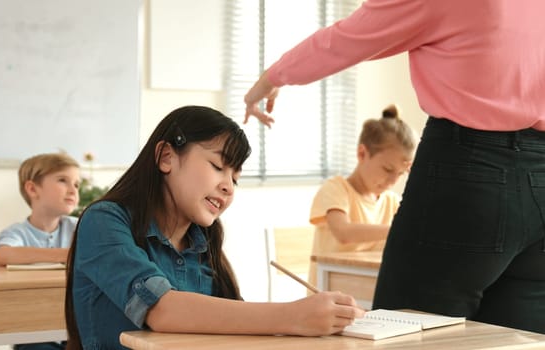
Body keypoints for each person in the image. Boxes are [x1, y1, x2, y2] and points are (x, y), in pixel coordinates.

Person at [243, 0, 545, 334]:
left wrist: (273, 77)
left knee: (407, 332)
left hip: (470, 169)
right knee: (516, 339)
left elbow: (351, 37)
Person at [64, 105, 365, 350]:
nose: (228, 187)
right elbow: (162, 310)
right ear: (166, 157)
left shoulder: (202, 242)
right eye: (218, 167)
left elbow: (235, 328)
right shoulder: (104, 221)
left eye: (235, 178)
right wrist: (295, 315)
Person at [307, 105, 416, 289]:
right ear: (362, 153)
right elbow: (344, 232)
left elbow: (414, 232)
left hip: (368, 292)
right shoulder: (335, 189)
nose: (392, 180)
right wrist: (398, 231)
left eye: (400, 173)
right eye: (388, 169)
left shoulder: (391, 201)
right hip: (327, 297)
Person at [0, 152, 80, 350]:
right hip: (33, 335)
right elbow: (3, 255)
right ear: (32, 189)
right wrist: (64, 255)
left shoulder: (79, 227)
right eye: (62, 180)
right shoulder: (17, 232)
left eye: (76, 184)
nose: (73, 190)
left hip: (73, 332)